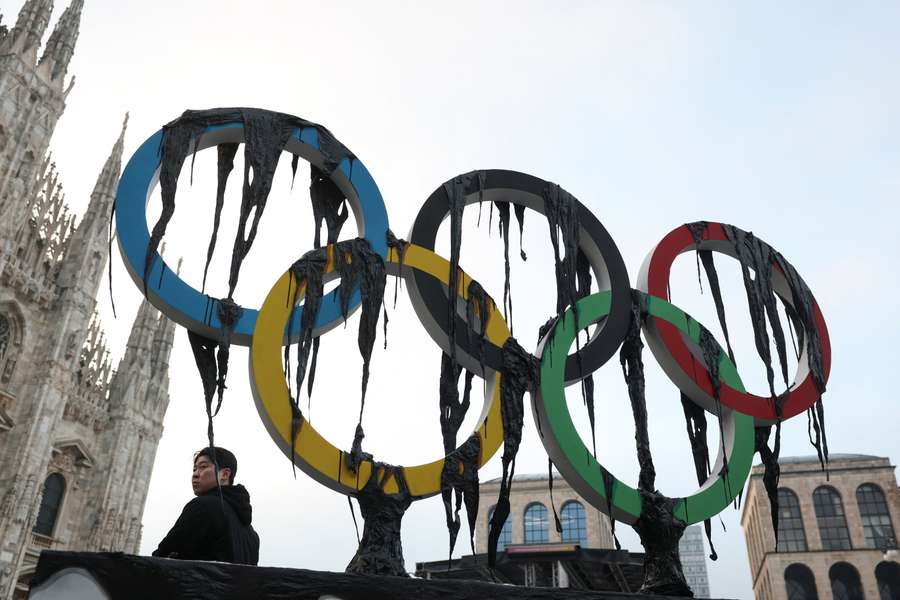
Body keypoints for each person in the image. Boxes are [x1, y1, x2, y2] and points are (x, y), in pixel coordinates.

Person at [152, 446, 260, 565]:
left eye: (203, 467)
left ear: (225, 474)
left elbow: (162, 556)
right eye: (194, 469)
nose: (195, 474)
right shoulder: (252, 534)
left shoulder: (203, 506)